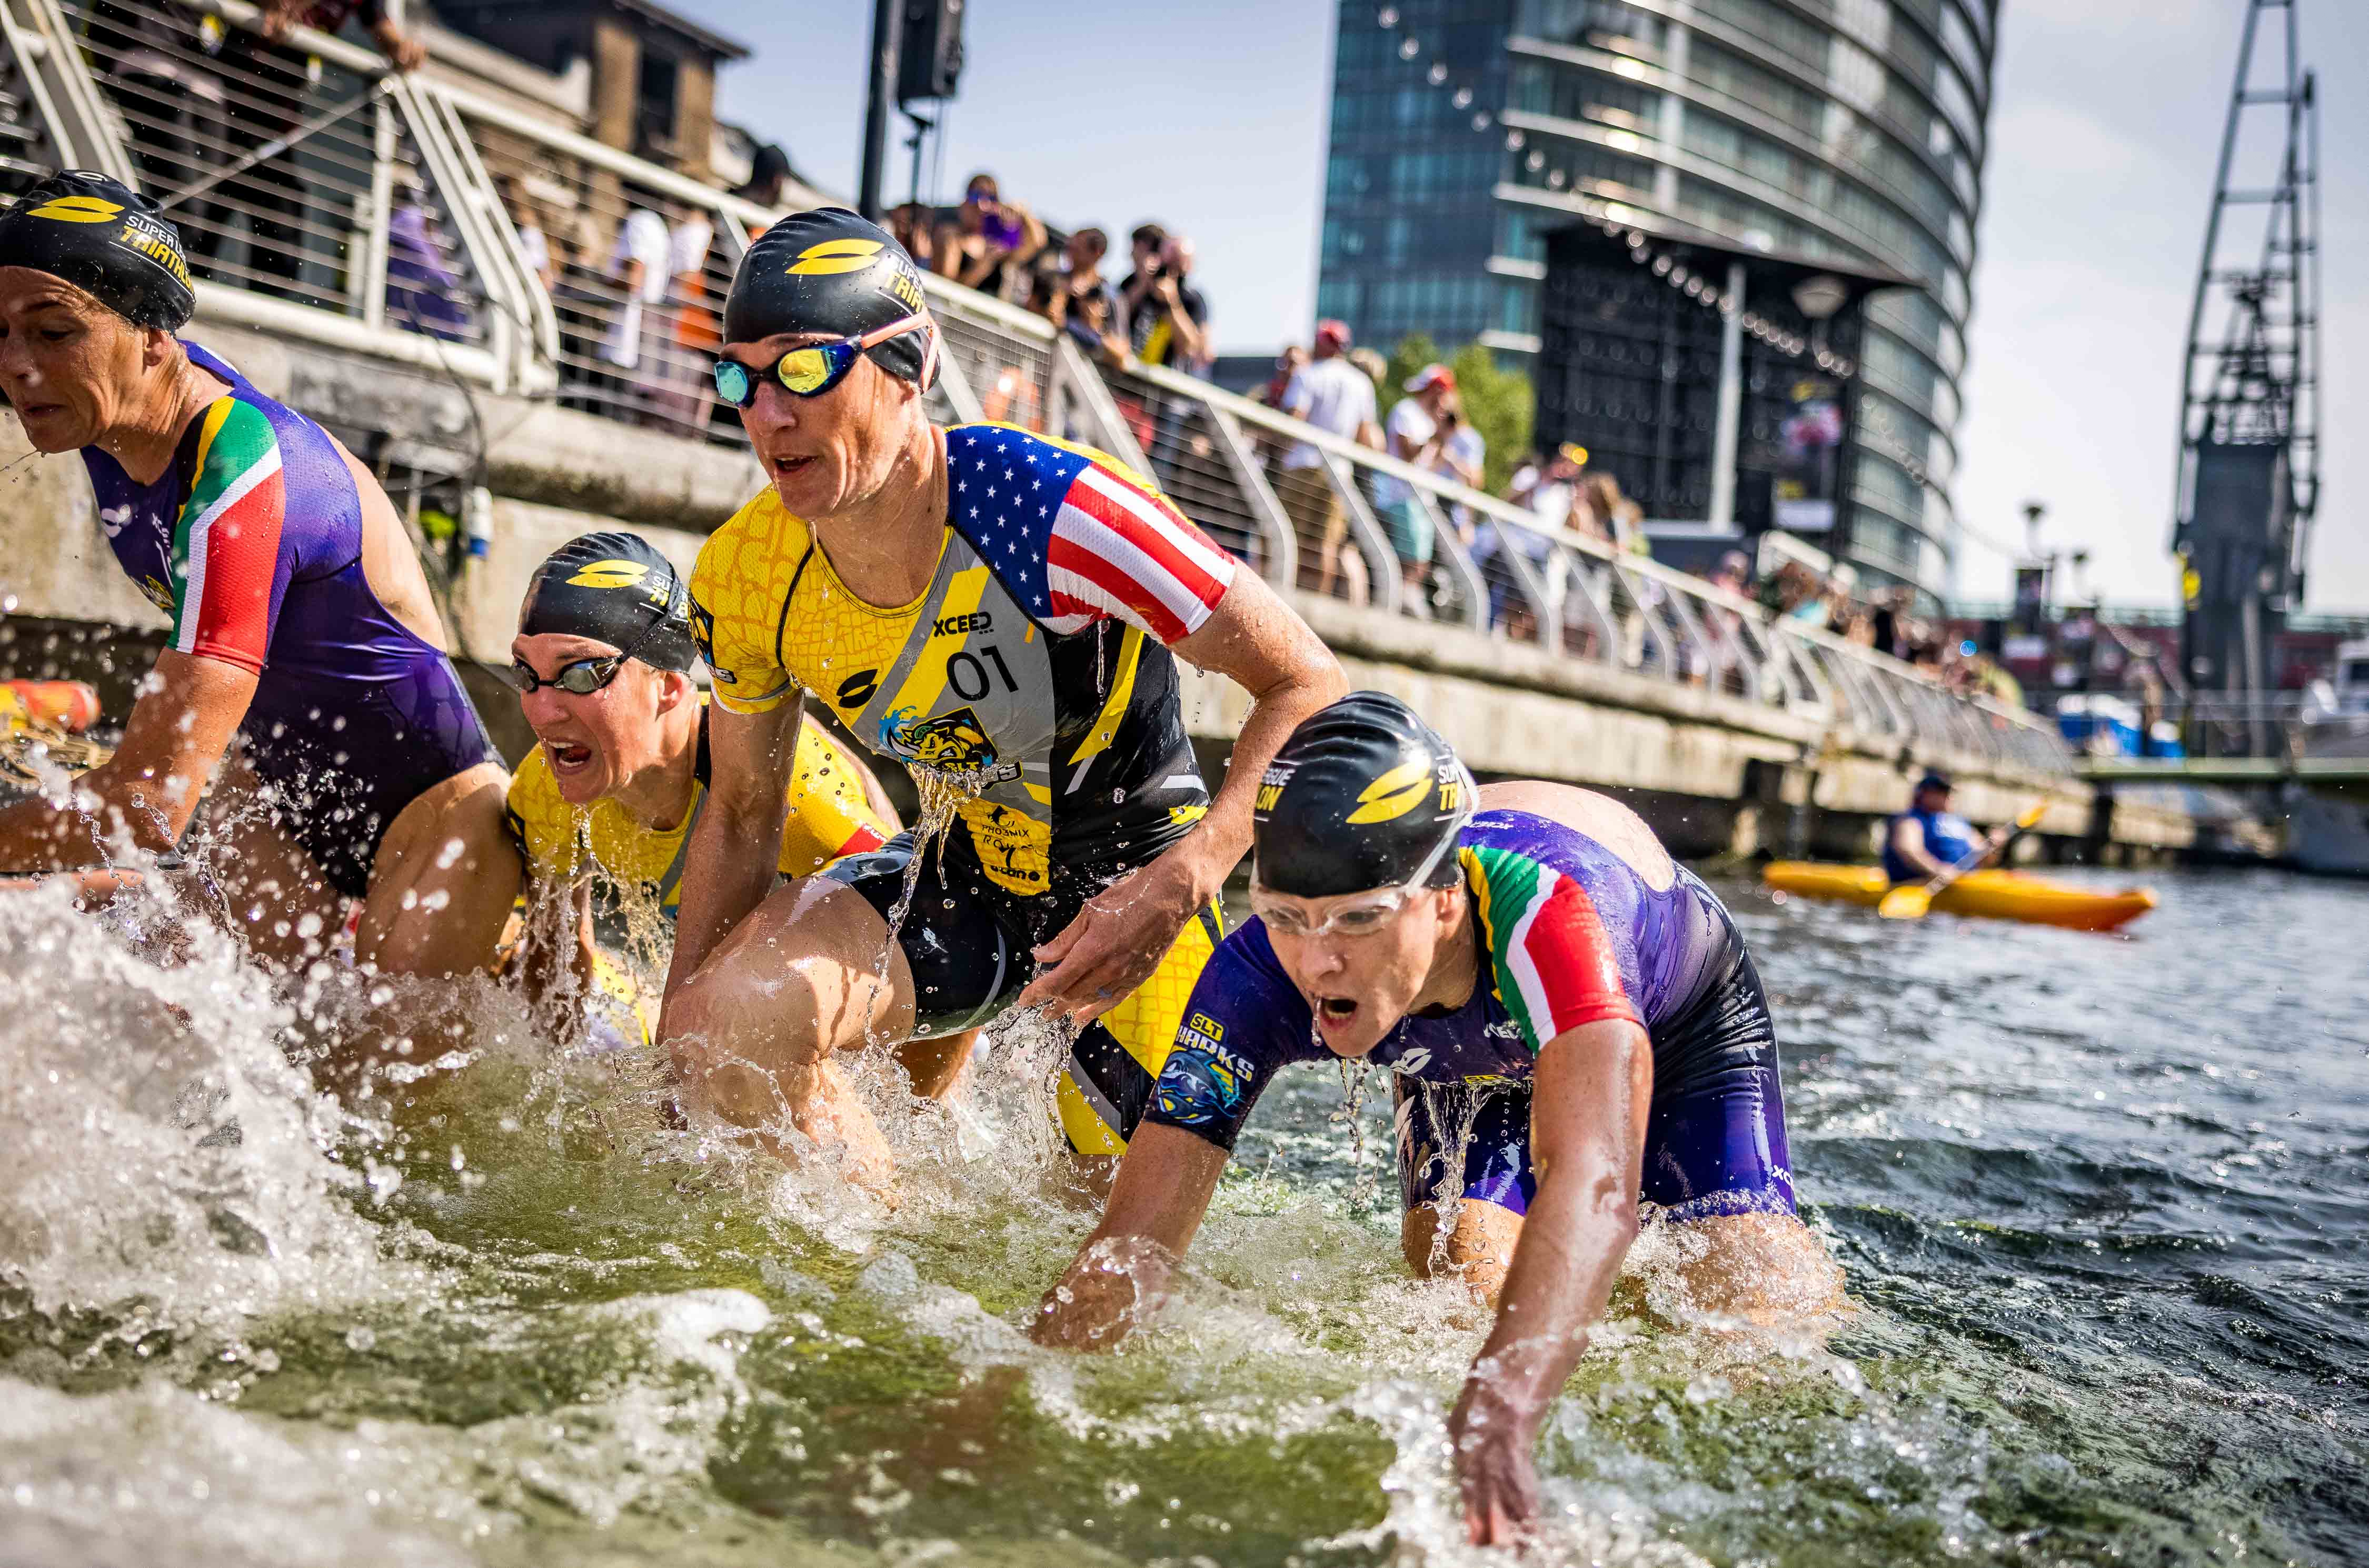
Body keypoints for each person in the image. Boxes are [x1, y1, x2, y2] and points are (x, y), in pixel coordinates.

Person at [1030, 693, 1842, 1543]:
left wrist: (1503, 1410)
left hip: (1673, 1019)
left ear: (1445, 900)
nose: (1318, 959)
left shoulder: (1550, 916)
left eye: (1358, 916)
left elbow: (1595, 1181)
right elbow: (1130, 1247)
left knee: (1757, 1313)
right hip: (1459, 1037)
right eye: (1285, 914)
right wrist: (1020, 1392)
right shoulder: (1257, 971)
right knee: (1458, 1279)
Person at [665, 208, 1346, 1187]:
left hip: (1134, 886)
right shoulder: (746, 570)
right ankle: (893, 1267)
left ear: (909, 367)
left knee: (1103, 1250)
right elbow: (736, 811)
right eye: (739, 375)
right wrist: (670, 1061)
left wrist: (1181, 884)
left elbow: (1308, 681)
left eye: (806, 369)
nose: (768, 413)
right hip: (963, 881)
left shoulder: (1052, 509)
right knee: (718, 1030)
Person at [0, 172, 514, 973]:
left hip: (433, 813)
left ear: (154, 335)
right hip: (276, 798)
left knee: (377, 1091)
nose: (18, 366)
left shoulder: (242, 469)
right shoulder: (101, 410)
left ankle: (526, 944)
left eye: (54, 332)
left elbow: (150, 802)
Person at [495, 533, 918, 1043]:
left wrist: (926, 1112)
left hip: (884, 999)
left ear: (670, 687)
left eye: (582, 675)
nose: (543, 711)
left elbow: (931, 936)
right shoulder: (545, 786)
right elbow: (555, 983)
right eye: (526, 674)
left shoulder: (792, 788)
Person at [1278, 319, 1379, 598]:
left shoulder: (1307, 375)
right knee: (1326, 544)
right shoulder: (1362, 384)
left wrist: (1278, 450)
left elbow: (1294, 421)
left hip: (1302, 465)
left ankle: (1288, 600)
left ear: (1322, 343)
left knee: (1290, 539)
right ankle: (1317, 607)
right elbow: (1365, 437)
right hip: (1339, 472)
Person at [1371, 363, 1458, 603]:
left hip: (1420, 499)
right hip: (1400, 497)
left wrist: (1443, 439)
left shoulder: (1430, 420)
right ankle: (1396, 607)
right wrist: (1433, 437)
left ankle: (1402, 605)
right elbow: (1409, 455)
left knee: (1419, 564)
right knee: (1410, 563)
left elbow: (1431, 467)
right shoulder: (1406, 410)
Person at [935, 174, 1047, 301]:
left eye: (991, 198)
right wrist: (980, 269)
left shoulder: (997, 243)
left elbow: (1038, 241)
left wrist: (1023, 213)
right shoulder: (951, 236)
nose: (981, 205)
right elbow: (944, 292)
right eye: (976, 196)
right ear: (965, 201)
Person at [1881, 772, 2005, 884]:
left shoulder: (1960, 822)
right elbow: (1907, 849)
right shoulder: (1911, 821)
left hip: (1963, 883)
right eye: (1941, 791)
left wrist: (1993, 847)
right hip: (1922, 883)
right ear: (1924, 794)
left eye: (1949, 791)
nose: (1948, 796)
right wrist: (1937, 870)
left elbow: (1985, 862)